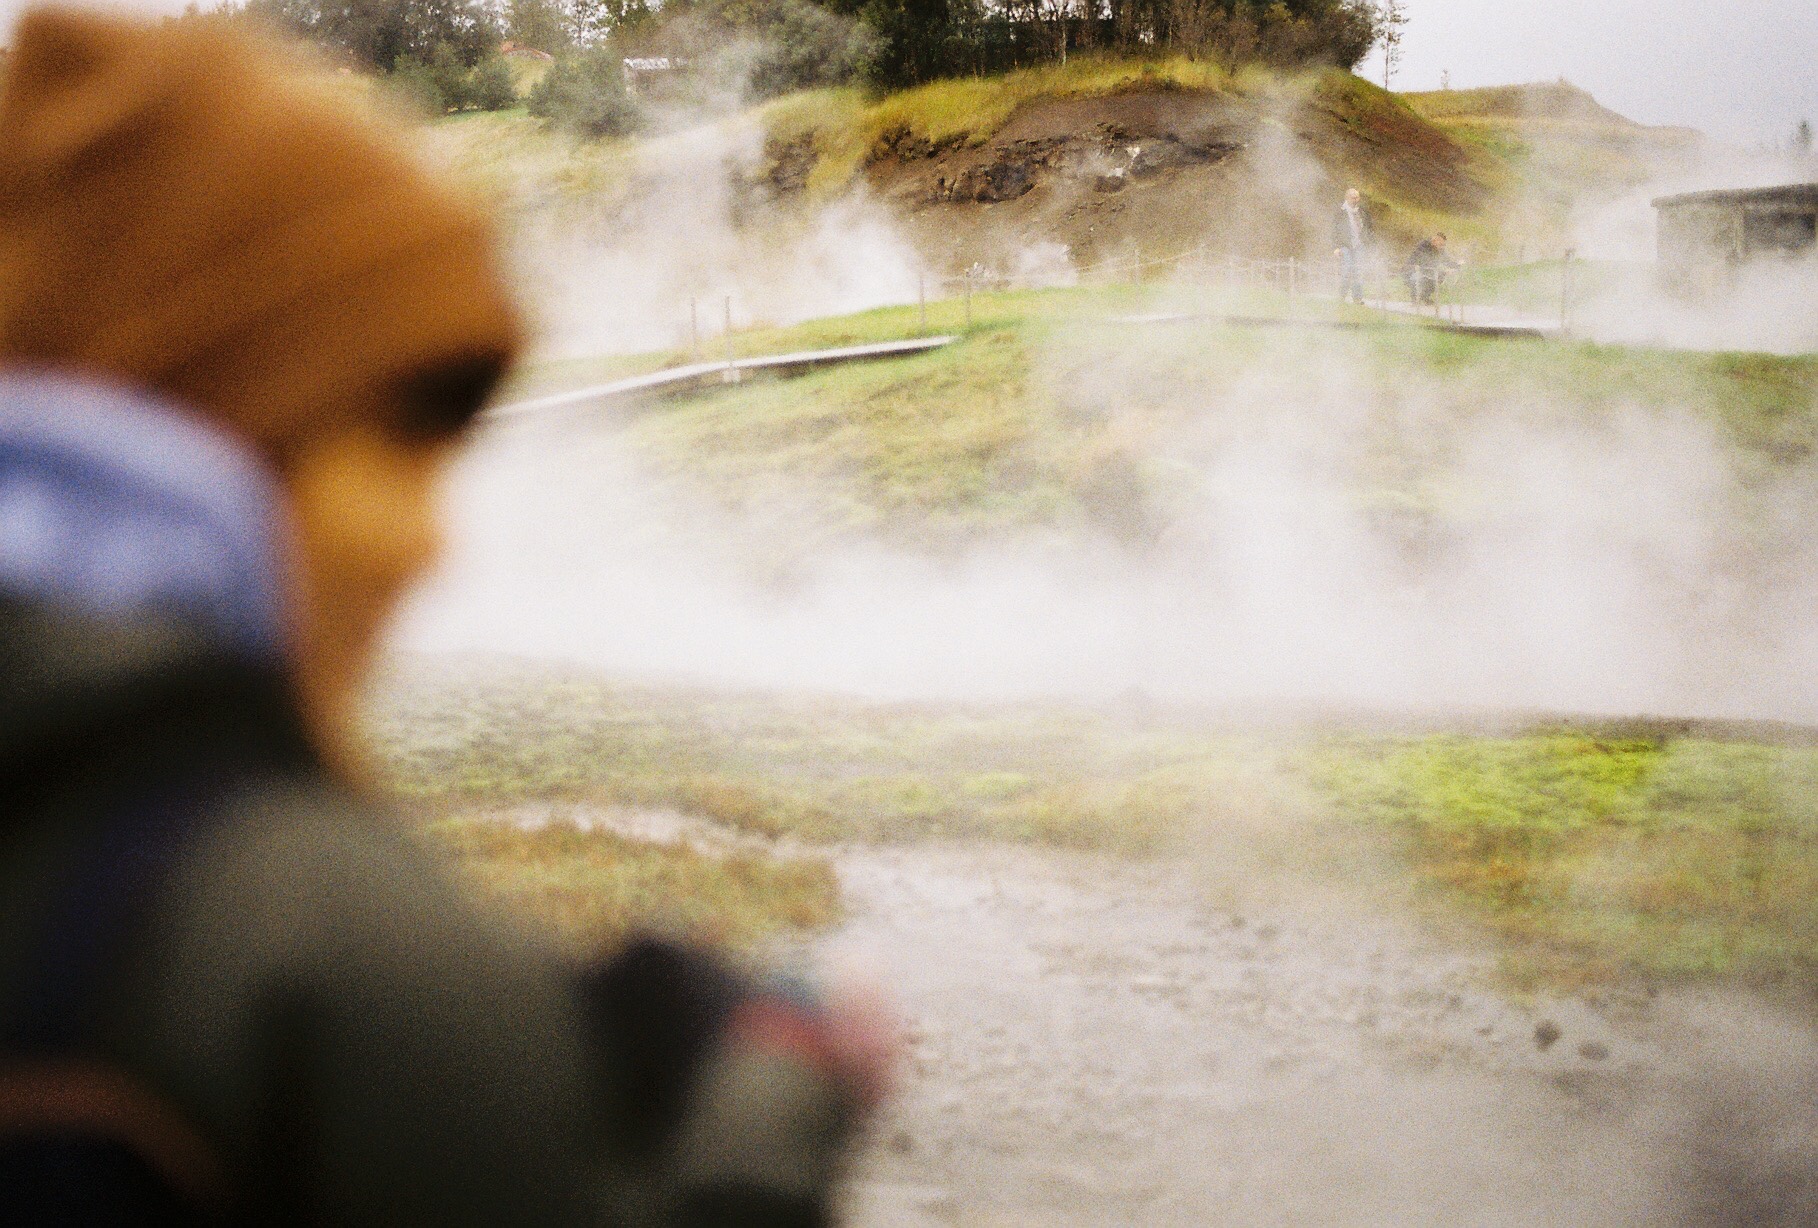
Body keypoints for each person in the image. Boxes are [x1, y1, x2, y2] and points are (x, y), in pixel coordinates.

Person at [0, 8, 887, 1224]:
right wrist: (762, 1125)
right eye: (398, 435)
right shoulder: (312, 948)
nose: (435, 540)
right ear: (225, 406)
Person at [1331, 187, 1373, 305]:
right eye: (1353, 197)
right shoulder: (1340, 212)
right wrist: (1336, 247)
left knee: (1358, 271)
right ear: (1347, 198)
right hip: (1345, 245)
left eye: (1357, 197)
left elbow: (1369, 228)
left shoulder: (1363, 211)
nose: (1355, 200)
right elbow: (1334, 230)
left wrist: (1370, 244)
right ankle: (1341, 297)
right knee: (1346, 270)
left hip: (1360, 245)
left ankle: (1357, 298)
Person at [1404, 232, 1462, 306]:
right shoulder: (1423, 247)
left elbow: (1447, 261)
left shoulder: (1440, 249)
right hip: (1412, 272)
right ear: (1435, 240)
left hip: (1426, 271)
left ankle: (1424, 297)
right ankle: (1415, 299)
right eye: (1440, 244)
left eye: (1443, 245)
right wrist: (1444, 271)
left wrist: (1457, 265)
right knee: (1423, 278)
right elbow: (1426, 265)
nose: (1442, 246)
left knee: (1438, 277)